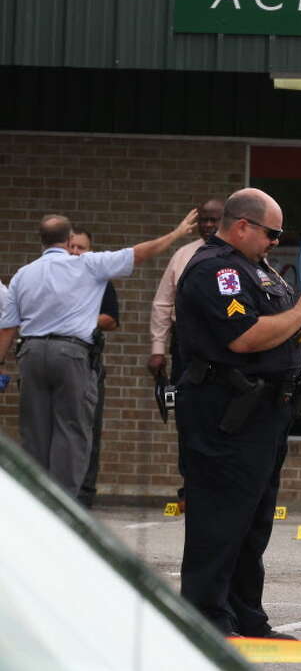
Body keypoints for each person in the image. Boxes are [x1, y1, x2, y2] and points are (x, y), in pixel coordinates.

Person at [174, 187, 301, 638]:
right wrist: (300, 310)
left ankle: (246, 616)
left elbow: (276, 332)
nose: (276, 242)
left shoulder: (258, 270)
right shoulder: (215, 269)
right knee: (219, 518)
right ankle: (206, 619)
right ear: (242, 225)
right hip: (226, 411)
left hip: (265, 411)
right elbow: (243, 337)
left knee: (253, 519)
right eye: (272, 233)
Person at [0, 211, 198, 497]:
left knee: (35, 431)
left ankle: (36, 500)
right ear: (69, 240)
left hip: (30, 353)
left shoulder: (23, 275)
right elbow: (139, 253)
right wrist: (177, 234)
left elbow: (7, 328)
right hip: (71, 354)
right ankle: (64, 504)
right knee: (71, 430)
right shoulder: (87, 265)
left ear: (41, 241)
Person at [68, 229, 121, 509]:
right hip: (54, 362)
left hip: (87, 362)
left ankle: (84, 496)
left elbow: (111, 319)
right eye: (71, 246)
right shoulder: (50, 276)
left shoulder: (99, 280)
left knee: (88, 431)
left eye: (82, 247)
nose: (76, 252)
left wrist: (75, 316)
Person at [148, 198, 224, 383]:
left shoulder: (241, 254)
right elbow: (163, 303)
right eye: (203, 220)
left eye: (213, 220)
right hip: (185, 342)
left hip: (224, 342)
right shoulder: (183, 255)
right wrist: (158, 349)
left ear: (226, 220)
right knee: (184, 401)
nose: (207, 225)